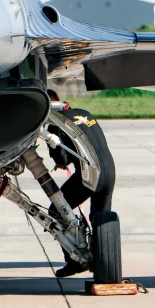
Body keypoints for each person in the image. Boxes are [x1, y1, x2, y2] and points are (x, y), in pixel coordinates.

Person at [47, 90, 116, 278]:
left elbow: (62, 157)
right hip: (109, 172)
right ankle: (104, 268)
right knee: (99, 220)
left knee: (56, 210)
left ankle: (74, 261)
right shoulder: (84, 113)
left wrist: (48, 133)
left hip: (90, 176)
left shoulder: (56, 122)